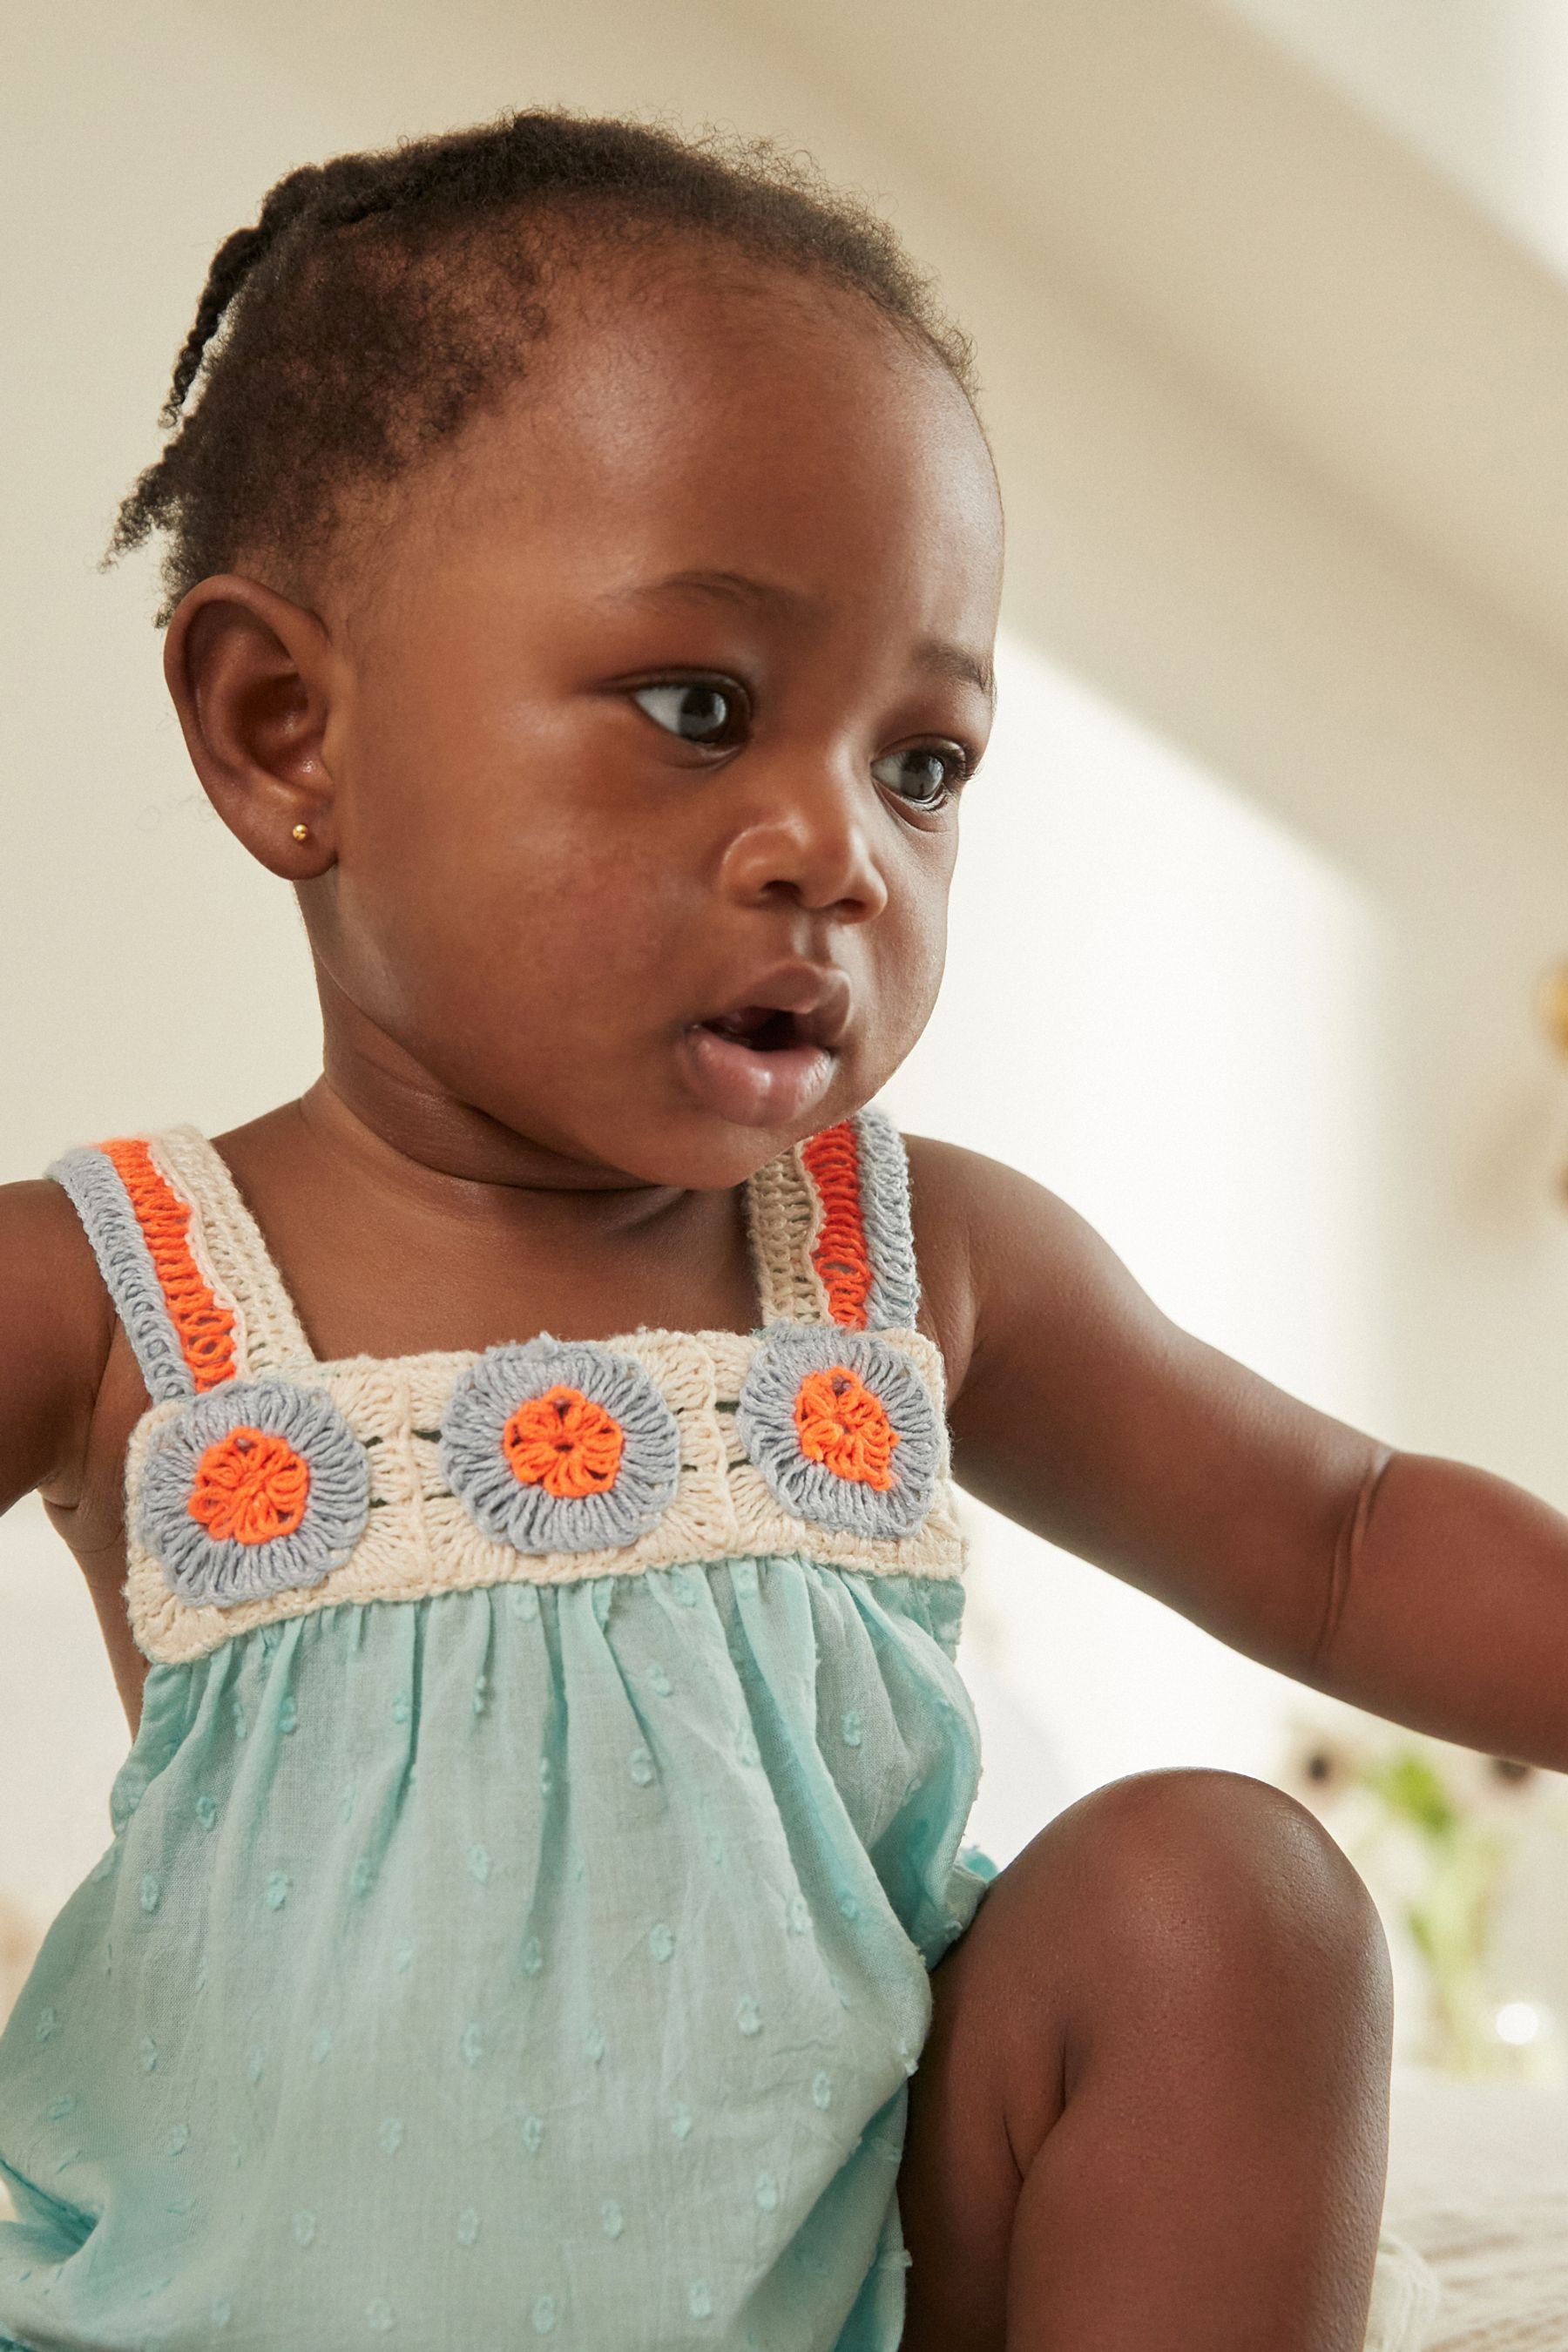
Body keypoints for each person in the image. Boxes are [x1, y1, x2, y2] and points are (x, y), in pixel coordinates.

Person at [10, 104, 1551, 2352]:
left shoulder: (915, 1267)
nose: (839, 848)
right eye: (703, 708)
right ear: (283, 728)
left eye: (924, 764)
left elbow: (1334, 1534)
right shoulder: (121, 1285)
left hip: (852, 2301)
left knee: (1241, 1903)